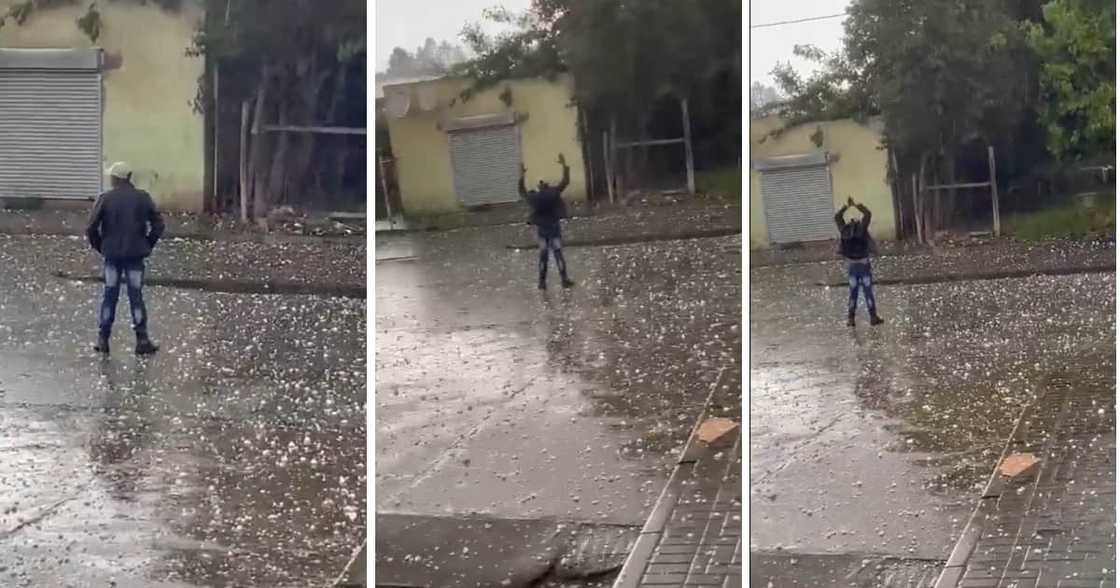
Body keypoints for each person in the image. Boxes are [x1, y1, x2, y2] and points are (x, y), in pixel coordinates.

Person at [86, 162, 165, 355]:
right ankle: (142, 340)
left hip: (112, 254)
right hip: (135, 255)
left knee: (110, 296)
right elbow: (158, 225)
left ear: (116, 178)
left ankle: (103, 340)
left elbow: (91, 227)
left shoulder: (106, 198)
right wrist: (147, 244)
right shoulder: (143, 198)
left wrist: (101, 246)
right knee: (136, 296)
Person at [519, 153, 575, 290]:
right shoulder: (554, 193)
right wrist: (564, 165)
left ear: (538, 187)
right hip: (554, 227)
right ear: (547, 186)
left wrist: (522, 176)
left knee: (543, 255)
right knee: (558, 253)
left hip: (542, 230)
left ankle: (542, 283)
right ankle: (564, 280)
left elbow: (521, 192)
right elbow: (565, 181)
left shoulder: (533, 198)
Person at [836, 196, 883, 327]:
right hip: (864, 264)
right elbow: (868, 214)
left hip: (851, 265)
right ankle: (873, 317)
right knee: (868, 291)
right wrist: (857, 205)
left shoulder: (844, 230)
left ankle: (851, 319)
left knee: (853, 293)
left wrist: (846, 206)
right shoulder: (862, 229)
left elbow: (837, 217)